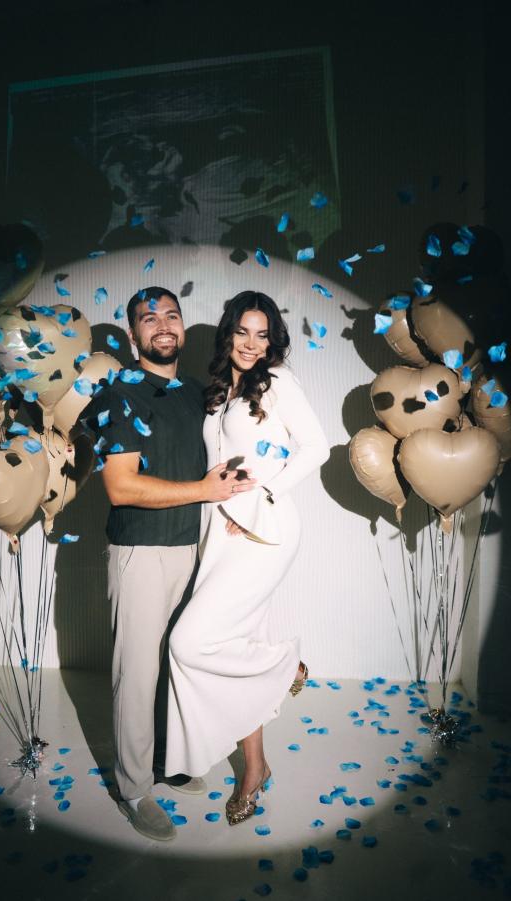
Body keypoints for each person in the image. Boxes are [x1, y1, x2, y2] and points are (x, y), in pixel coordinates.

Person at [86, 286, 256, 842]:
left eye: (171, 315)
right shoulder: (119, 395)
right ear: (132, 333)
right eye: (148, 317)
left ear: (182, 327)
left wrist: (234, 509)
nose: (162, 324)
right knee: (137, 675)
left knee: (180, 664)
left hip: (193, 549)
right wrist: (203, 491)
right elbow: (120, 486)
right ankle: (134, 788)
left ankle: (170, 760)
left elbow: (214, 471)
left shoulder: (197, 395)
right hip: (141, 550)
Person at [165, 290, 329, 824]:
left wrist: (264, 496)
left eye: (262, 334)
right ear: (228, 334)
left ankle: (284, 667)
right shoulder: (219, 391)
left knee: (189, 642)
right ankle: (254, 767)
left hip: (263, 532)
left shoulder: (277, 381)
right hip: (220, 530)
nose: (252, 344)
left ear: (272, 340)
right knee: (235, 643)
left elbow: (317, 447)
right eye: (242, 332)